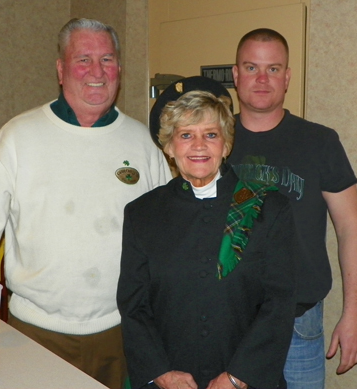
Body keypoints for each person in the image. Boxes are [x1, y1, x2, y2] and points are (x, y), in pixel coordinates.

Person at [0, 18, 171, 388]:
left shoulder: (143, 145)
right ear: (61, 69)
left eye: (107, 59)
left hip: (121, 333)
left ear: (119, 67)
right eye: (83, 59)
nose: (97, 72)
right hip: (36, 333)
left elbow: (169, 237)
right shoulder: (18, 138)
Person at [117, 78, 300, 389]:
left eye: (211, 135)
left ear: (226, 145)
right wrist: (161, 372)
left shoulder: (268, 209)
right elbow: (133, 305)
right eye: (186, 135)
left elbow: (279, 304)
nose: (199, 145)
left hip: (246, 379)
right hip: (168, 379)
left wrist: (238, 376)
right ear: (169, 147)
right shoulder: (141, 214)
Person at [228, 28, 357, 389]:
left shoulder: (320, 142)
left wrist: (353, 314)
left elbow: (350, 229)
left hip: (299, 322)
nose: (262, 79)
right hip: (228, 316)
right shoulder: (211, 138)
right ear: (235, 74)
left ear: (287, 77)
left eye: (273, 69)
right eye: (251, 67)